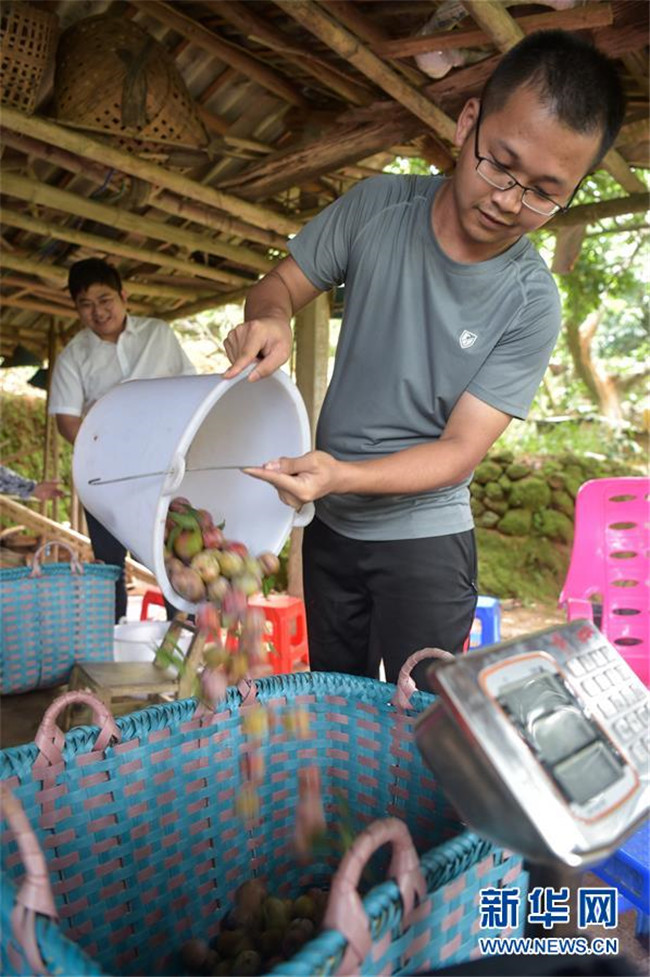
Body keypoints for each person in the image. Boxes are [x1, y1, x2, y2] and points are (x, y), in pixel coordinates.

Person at [222, 30, 626, 688]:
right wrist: (269, 320)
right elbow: (278, 287)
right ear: (468, 124)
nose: (508, 200)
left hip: (426, 541)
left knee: (424, 717)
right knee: (337, 706)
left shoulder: (531, 302)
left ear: (571, 191)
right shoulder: (376, 208)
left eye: (543, 192)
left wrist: (341, 474)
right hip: (330, 527)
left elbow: (459, 451)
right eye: (500, 165)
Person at [49, 257, 195, 622]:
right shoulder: (73, 356)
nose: (98, 312)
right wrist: (108, 454)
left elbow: (191, 388)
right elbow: (67, 421)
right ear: (76, 308)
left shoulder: (158, 334)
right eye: (86, 304)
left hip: (165, 469)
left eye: (105, 300)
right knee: (109, 565)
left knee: (177, 556)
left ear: (123, 296)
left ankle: (184, 643)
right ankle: (112, 639)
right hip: (105, 477)